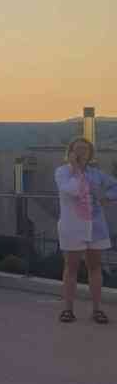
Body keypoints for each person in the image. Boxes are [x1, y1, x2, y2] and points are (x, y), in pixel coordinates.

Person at [55, 137, 117, 324]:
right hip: (73, 227)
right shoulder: (62, 172)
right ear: (70, 152)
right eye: (78, 149)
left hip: (95, 227)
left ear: (91, 154)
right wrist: (76, 169)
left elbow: (115, 186)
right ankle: (68, 309)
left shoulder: (97, 174)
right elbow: (72, 190)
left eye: (85, 150)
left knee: (95, 267)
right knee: (71, 267)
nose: (82, 152)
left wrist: (107, 196)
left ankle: (97, 310)